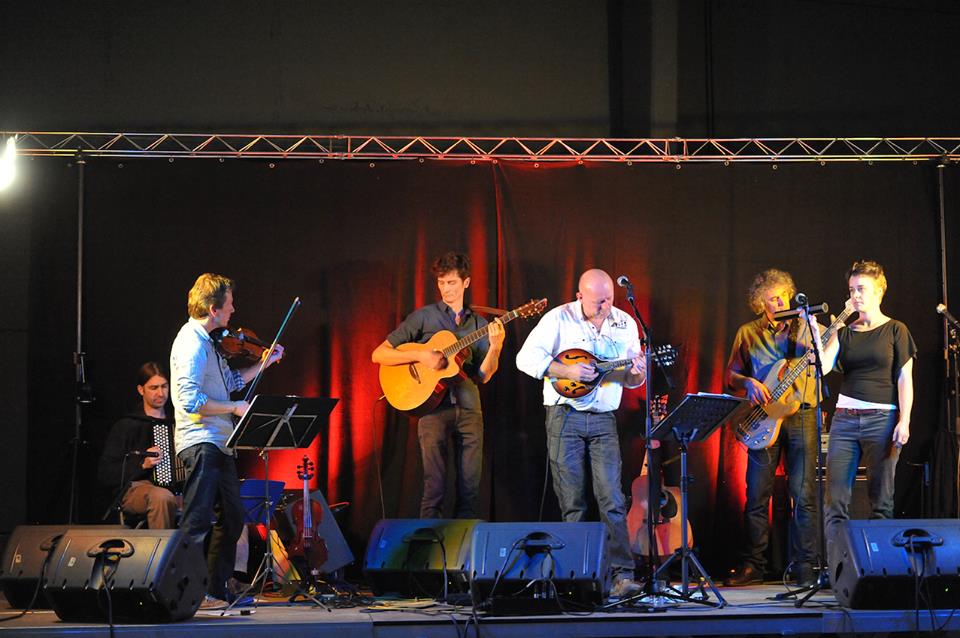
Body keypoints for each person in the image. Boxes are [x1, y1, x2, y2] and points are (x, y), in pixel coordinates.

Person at [515, 268, 646, 598]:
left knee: (612, 499)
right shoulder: (558, 318)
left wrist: (636, 373)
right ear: (579, 297)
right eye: (596, 301)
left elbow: (630, 380)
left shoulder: (625, 324)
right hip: (564, 417)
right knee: (572, 500)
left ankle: (622, 575)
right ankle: (579, 575)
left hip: (603, 419)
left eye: (609, 300)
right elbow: (525, 357)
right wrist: (564, 369)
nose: (604, 307)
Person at [170, 273, 284, 608]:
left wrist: (264, 364)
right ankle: (186, 591)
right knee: (197, 520)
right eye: (229, 303)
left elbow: (231, 381)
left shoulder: (209, 342)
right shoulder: (191, 343)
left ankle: (213, 589)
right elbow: (189, 400)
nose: (233, 310)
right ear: (213, 308)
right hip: (201, 441)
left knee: (233, 517)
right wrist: (234, 407)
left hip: (220, 442)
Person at [372, 252, 504, 518]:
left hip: (469, 410)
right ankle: (430, 557)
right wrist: (421, 354)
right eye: (442, 283)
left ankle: (464, 555)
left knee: (470, 490)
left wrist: (496, 348)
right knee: (434, 489)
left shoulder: (478, 323)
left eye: (452, 282)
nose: (446, 289)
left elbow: (485, 375)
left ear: (466, 283)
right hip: (432, 410)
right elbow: (379, 354)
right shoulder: (424, 317)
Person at [724, 269, 821, 587]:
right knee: (756, 494)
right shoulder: (748, 333)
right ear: (760, 303)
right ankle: (754, 565)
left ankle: (805, 566)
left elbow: (828, 359)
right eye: (772, 297)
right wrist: (748, 382)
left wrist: (811, 327)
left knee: (803, 493)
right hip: (763, 418)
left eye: (783, 295)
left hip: (802, 414)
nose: (780, 301)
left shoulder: (806, 327)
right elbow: (731, 376)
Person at [816, 260, 915, 565]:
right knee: (835, 502)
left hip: (881, 420)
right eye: (851, 290)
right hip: (845, 420)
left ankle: (879, 569)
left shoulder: (896, 330)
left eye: (862, 289)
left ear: (879, 292)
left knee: (881, 501)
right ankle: (838, 572)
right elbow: (824, 366)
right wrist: (826, 329)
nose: (856, 295)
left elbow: (904, 378)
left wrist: (905, 420)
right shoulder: (845, 333)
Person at [98, 362, 179, 529]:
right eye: (153, 388)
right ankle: (162, 554)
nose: (160, 393)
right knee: (161, 497)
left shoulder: (178, 422)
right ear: (141, 390)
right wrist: (142, 464)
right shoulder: (127, 425)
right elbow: (106, 474)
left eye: (164, 386)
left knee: (217, 499)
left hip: (177, 490)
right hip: (136, 489)